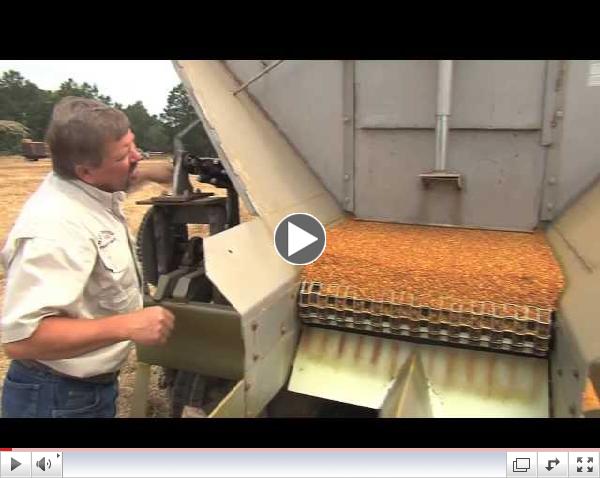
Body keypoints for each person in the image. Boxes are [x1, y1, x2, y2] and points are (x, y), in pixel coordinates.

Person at [0, 97, 175, 418]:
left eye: (133, 144)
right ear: (85, 171)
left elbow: (114, 182)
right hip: (54, 399)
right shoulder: (55, 229)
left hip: (81, 391)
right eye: (124, 155)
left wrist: (153, 171)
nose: (136, 156)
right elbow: (23, 340)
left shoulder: (85, 186)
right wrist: (127, 325)